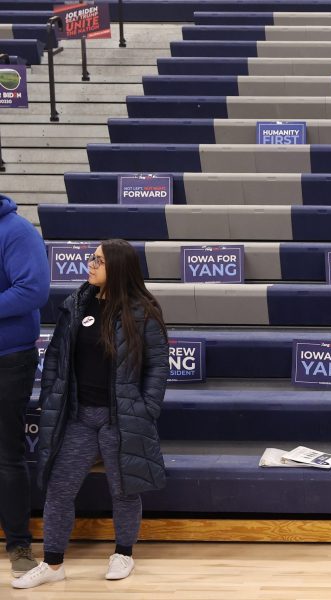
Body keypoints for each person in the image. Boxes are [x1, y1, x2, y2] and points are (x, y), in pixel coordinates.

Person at [13, 240, 169, 589]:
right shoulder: (76, 304)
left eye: (98, 260)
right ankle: (53, 564)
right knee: (58, 489)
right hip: (79, 417)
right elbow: (55, 358)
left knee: (124, 490)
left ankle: (124, 553)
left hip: (120, 417)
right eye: (91, 258)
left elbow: (158, 366)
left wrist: (146, 408)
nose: (90, 264)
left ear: (117, 266)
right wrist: (53, 392)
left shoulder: (142, 310)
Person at [0, 194, 50, 579]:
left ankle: (18, 543)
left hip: (8, 358)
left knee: (6, 453)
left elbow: (33, 290)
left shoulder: (16, 230)